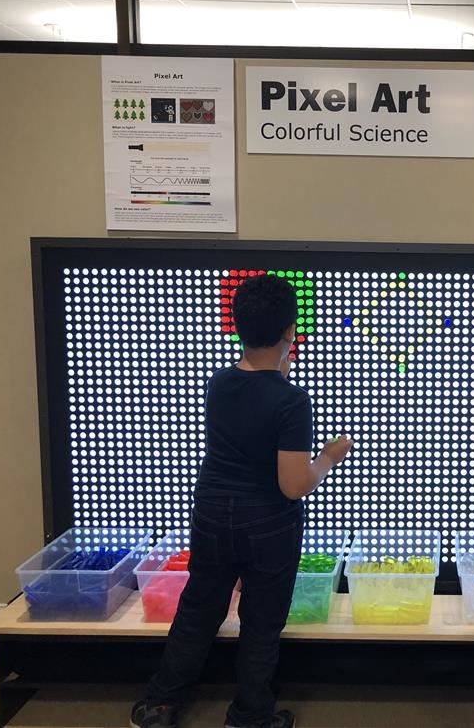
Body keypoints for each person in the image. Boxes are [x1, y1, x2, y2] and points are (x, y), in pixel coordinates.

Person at [131, 273, 353, 728]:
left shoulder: (219, 383)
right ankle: (249, 716)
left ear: (238, 327)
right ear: (290, 331)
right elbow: (293, 484)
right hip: (268, 524)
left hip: (212, 513)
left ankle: (158, 706)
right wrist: (329, 457)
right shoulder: (291, 401)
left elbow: (250, 406)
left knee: (199, 609)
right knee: (261, 622)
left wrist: (277, 373)